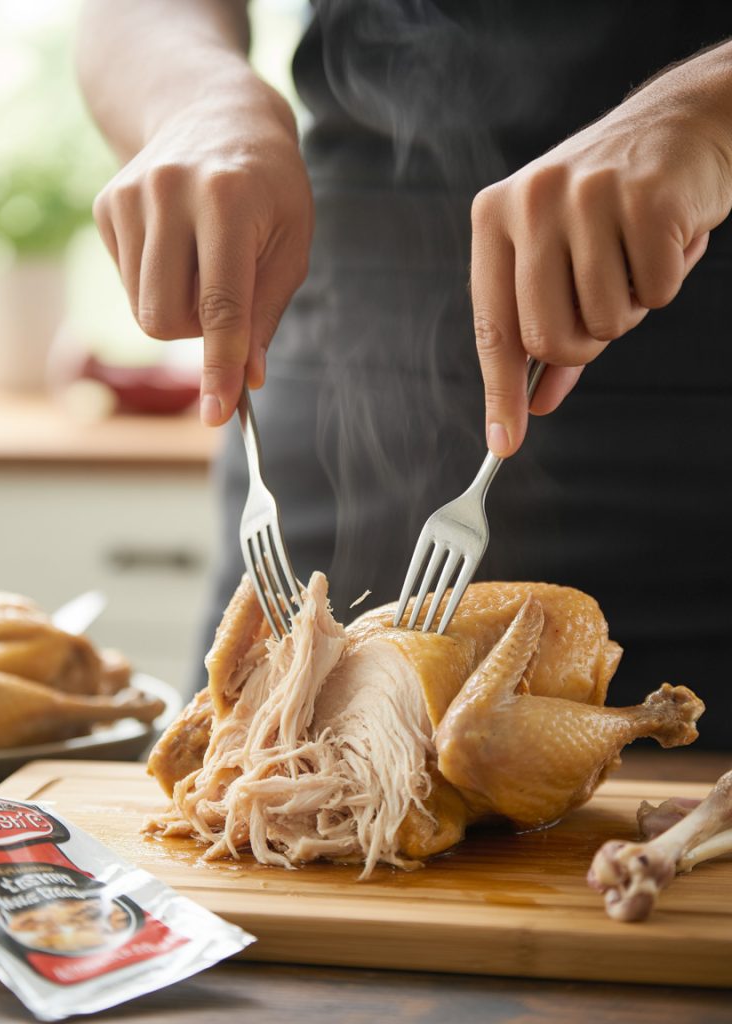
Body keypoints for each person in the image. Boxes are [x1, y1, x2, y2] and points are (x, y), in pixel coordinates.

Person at [76, 1, 732, 747]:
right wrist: (193, 97)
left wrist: (710, 105)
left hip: (704, 408)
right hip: (321, 359)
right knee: (264, 760)